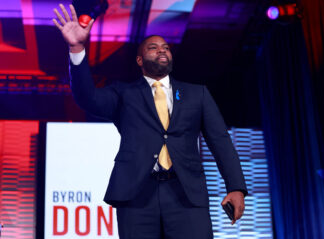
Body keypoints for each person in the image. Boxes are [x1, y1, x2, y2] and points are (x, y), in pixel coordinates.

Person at [53, 4, 247, 239]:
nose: (161, 51)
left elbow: (221, 142)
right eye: (153, 48)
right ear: (139, 60)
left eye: (166, 47)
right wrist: (77, 47)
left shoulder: (198, 94)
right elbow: (88, 98)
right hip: (137, 196)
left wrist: (235, 187)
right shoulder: (123, 94)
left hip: (186, 195)